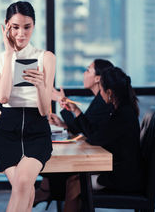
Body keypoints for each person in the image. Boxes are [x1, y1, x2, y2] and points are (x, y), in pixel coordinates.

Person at [0, 1, 56, 212]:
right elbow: (3, 96)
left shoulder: (47, 58)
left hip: (37, 130)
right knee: (27, 191)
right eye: (15, 27)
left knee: (24, 184)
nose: (21, 33)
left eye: (27, 27)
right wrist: (9, 55)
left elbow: (45, 111)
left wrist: (41, 84)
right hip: (8, 131)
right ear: (6, 26)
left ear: (34, 26)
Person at [59, 66, 144, 211]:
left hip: (123, 177)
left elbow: (95, 138)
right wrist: (76, 110)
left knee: (74, 182)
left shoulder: (121, 115)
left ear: (109, 92)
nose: (100, 93)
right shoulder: (123, 109)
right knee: (74, 179)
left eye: (102, 90)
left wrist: (76, 112)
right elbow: (97, 134)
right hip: (122, 171)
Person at [33, 59, 114, 211]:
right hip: (98, 156)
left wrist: (61, 102)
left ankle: (45, 192)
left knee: (58, 168)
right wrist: (63, 124)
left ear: (98, 78)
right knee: (54, 166)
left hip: (103, 164)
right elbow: (84, 126)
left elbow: (86, 129)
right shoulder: (99, 100)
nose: (84, 73)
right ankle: (45, 192)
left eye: (87, 70)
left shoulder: (103, 102)